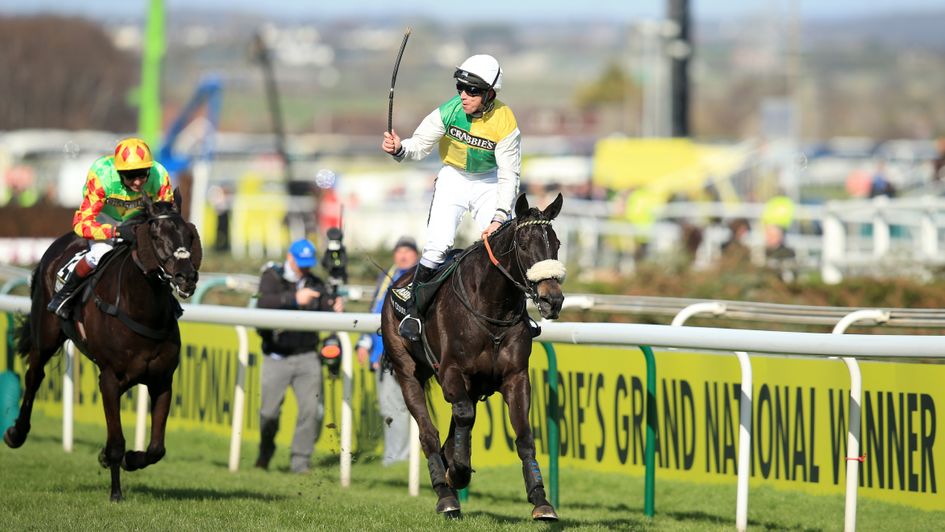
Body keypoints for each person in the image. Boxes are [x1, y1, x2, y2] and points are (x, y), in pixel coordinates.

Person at [381, 53, 521, 341]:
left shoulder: (506, 121)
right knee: (436, 247)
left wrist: (500, 215)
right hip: (453, 178)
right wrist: (399, 148)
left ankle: (520, 316)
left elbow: (510, 175)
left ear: (490, 93)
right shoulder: (448, 111)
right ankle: (413, 315)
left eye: (472, 90)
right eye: (460, 88)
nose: (464, 95)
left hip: (489, 181)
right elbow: (418, 146)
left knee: (502, 246)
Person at [47, 137, 173, 319]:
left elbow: (166, 218)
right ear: (119, 172)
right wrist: (116, 232)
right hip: (105, 217)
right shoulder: (102, 177)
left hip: (139, 217)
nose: (137, 182)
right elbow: (81, 224)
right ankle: (65, 295)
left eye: (142, 174)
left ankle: (169, 301)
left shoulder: (160, 176)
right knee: (100, 254)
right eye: (131, 176)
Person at [255, 238, 344, 474]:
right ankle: (265, 451)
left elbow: (326, 307)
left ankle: (300, 462)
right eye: (301, 263)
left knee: (311, 411)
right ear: (290, 258)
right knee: (268, 414)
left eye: (308, 263)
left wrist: (335, 307)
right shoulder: (271, 277)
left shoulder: (316, 282)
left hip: (308, 357)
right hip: (276, 356)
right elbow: (261, 303)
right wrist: (294, 299)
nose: (305, 268)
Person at [356, 236, 418, 465]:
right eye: (399, 251)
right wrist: (365, 342)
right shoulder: (387, 276)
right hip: (382, 354)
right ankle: (395, 457)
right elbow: (375, 311)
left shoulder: (417, 276)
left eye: (407, 252)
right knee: (389, 408)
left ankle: (397, 459)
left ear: (416, 255)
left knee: (398, 408)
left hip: (403, 354)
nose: (402, 256)